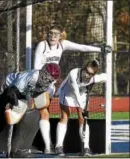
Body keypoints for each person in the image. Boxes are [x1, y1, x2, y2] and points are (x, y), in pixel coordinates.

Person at [33, 24, 112, 154]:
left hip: (51, 83)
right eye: (50, 33)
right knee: (45, 111)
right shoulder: (43, 45)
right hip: (40, 81)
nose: (52, 36)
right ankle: (49, 146)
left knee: (78, 117)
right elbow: (36, 67)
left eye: (56, 34)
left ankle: (85, 147)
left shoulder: (63, 44)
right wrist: (39, 83)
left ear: (60, 36)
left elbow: (81, 47)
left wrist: (100, 49)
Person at [0, 63, 61, 158]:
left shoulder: (51, 88)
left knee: (33, 116)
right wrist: (15, 106)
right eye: (45, 76)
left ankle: (20, 149)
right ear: (42, 71)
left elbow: (42, 103)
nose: (46, 80)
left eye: (50, 79)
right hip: (7, 89)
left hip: (24, 96)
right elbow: (12, 92)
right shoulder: (30, 76)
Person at [55, 59, 107, 156]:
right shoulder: (73, 73)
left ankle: (86, 147)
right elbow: (75, 91)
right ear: (84, 68)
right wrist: (82, 108)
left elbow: (106, 77)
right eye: (86, 71)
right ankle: (59, 146)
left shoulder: (94, 78)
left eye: (90, 74)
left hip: (82, 94)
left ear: (94, 74)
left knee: (82, 119)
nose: (87, 75)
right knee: (64, 117)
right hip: (67, 92)